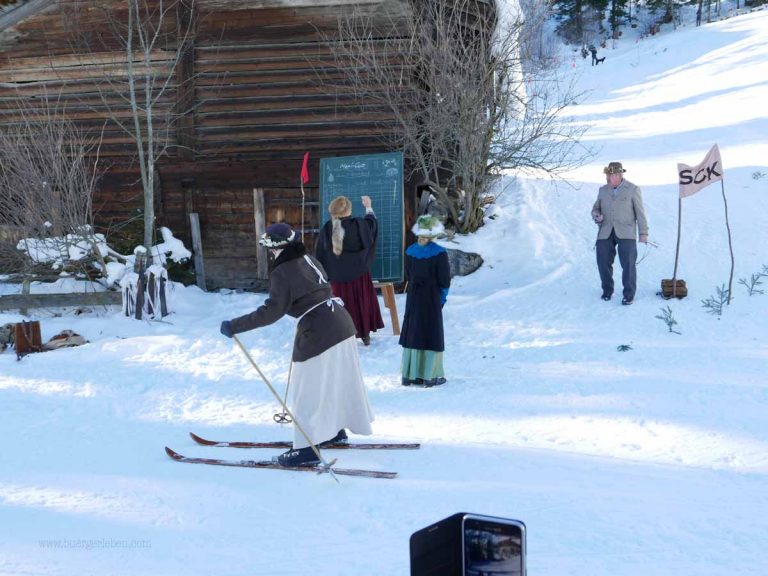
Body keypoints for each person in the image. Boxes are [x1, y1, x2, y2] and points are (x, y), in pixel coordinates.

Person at [220, 223, 374, 466]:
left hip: (320, 331)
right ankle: (333, 430)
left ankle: (307, 449)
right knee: (334, 380)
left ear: (277, 248)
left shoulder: (283, 271)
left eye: (269, 249)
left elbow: (272, 311)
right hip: (341, 323)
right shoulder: (308, 259)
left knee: (308, 390)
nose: (269, 254)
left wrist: (235, 325)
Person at [314, 194, 384, 346]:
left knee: (341, 307)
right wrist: (368, 207)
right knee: (362, 304)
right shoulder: (359, 225)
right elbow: (372, 225)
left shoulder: (327, 229)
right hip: (359, 276)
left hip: (338, 279)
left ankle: (341, 335)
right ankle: (364, 334)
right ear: (348, 211)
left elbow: (319, 254)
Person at [399, 215, 451, 387]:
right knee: (431, 333)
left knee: (413, 331)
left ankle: (409, 374)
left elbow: (408, 275)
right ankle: (429, 376)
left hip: (414, 296)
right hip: (431, 297)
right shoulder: (439, 253)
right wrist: (442, 300)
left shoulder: (410, 251)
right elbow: (444, 281)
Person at [591, 162, 649, 306]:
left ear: (621, 174)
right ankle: (607, 290)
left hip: (626, 232)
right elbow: (595, 209)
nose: (613, 177)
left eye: (617, 174)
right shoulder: (602, 190)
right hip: (605, 231)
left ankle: (629, 294)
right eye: (611, 175)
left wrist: (643, 232)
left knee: (628, 264)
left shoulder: (632, 189)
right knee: (602, 261)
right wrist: (596, 215)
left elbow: (640, 213)